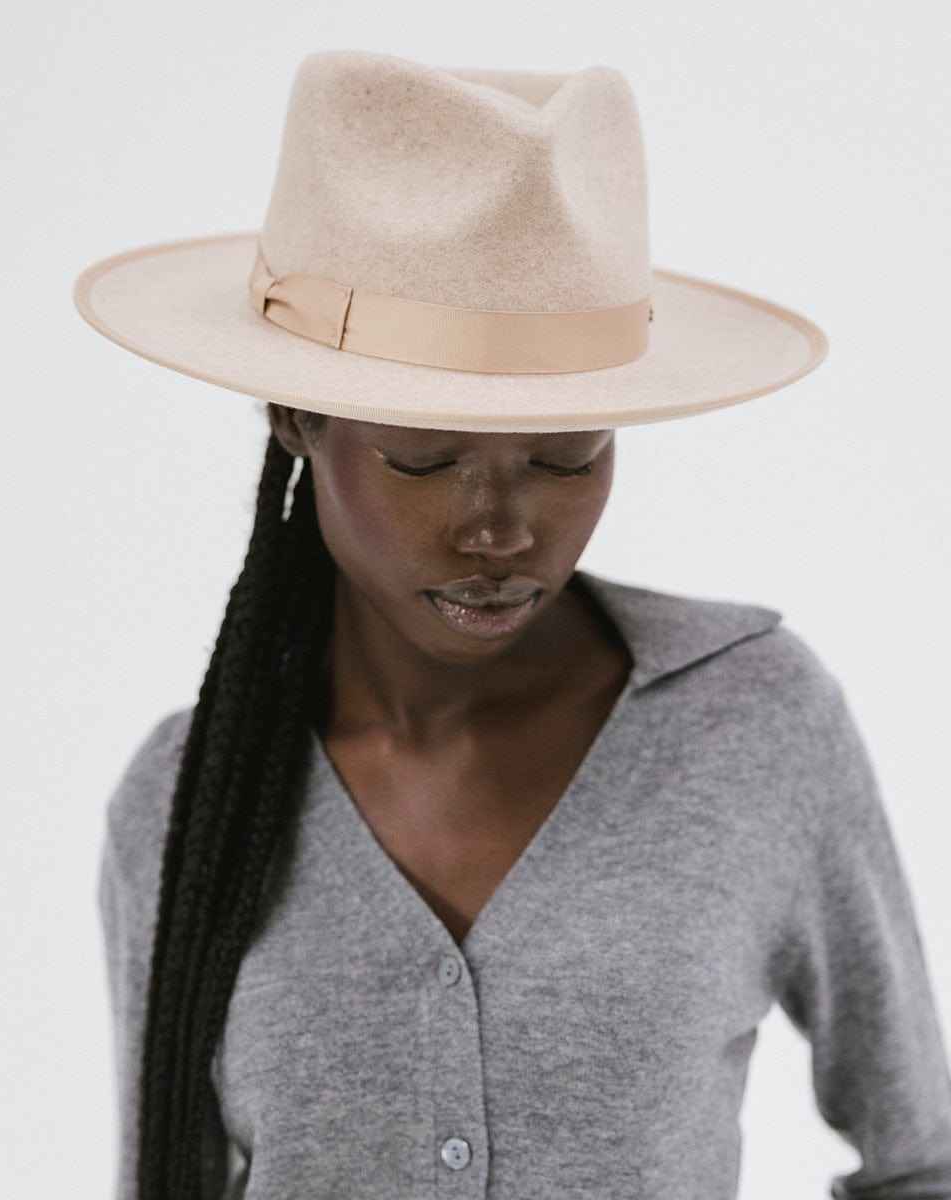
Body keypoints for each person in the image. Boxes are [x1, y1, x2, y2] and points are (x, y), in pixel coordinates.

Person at [75, 49, 951, 1200]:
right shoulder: (187, 797)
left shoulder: (754, 725)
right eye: (424, 460)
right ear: (297, 417)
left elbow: (920, 1157)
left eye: (564, 455)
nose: (500, 528)